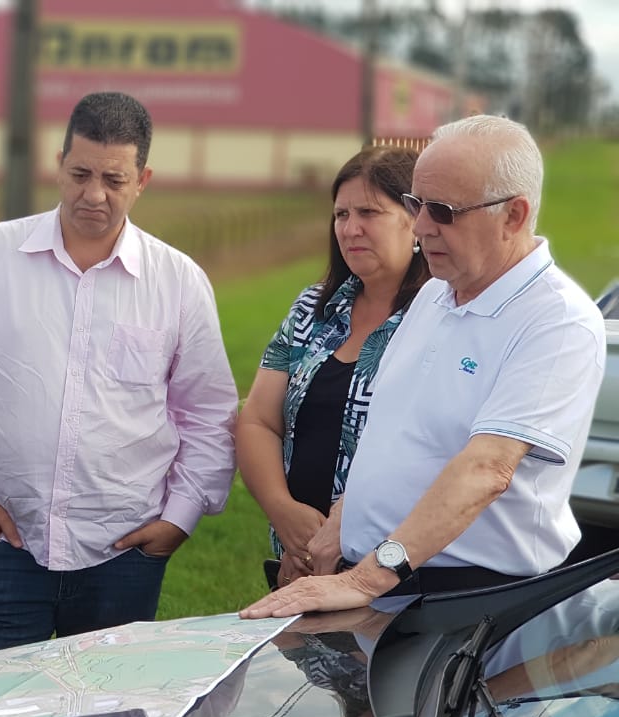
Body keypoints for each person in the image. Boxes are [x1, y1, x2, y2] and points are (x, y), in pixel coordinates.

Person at [242, 115, 607, 620]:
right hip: (388, 579)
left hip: (470, 599)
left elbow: (488, 469)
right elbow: (391, 434)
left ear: (514, 215)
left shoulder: (557, 320)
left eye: (443, 211)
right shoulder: (436, 294)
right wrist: (341, 529)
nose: (420, 227)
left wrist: (366, 576)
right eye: (417, 204)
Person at [0, 91, 238, 658]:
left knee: (105, 701)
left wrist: (179, 519)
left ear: (143, 181)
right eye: (80, 174)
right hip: (5, 543)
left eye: (114, 180)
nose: (94, 195)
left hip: (125, 554)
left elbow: (208, 412)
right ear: (58, 164)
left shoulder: (179, 282)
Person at [238, 146, 428, 590]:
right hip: (295, 562)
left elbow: (431, 455)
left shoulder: (438, 320)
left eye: (369, 212)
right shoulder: (312, 308)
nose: (350, 228)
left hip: (390, 569)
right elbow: (258, 419)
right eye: (341, 214)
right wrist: (283, 512)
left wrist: (334, 537)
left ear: (415, 220)